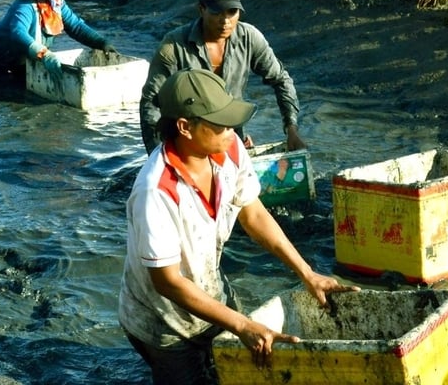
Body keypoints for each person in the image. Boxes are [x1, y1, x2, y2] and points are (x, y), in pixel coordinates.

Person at [120, 68, 356, 384]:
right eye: (220, 124)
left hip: (213, 294)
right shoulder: (157, 191)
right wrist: (241, 324)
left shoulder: (228, 149)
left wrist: (307, 273)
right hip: (162, 322)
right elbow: (168, 282)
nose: (232, 131)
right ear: (185, 127)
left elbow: (253, 214)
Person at [140, 0, 305, 154]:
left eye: (232, 12)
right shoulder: (173, 46)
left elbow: (281, 80)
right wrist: (160, 155)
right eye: (216, 12)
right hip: (188, 142)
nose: (225, 21)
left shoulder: (249, 38)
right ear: (201, 9)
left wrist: (291, 129)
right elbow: (151, 103)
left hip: (231, 136)